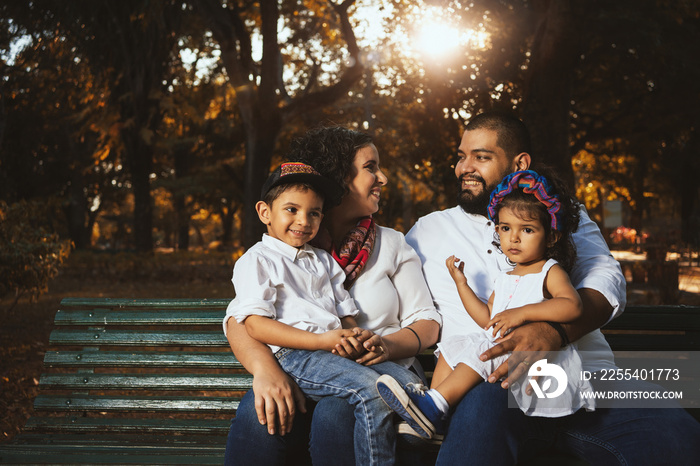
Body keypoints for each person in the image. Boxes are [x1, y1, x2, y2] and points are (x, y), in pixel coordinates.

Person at [405, 111, 700, 464]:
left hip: (582, 377)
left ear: (519, 164)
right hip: (489, 387)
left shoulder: (561, 214)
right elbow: (381, 288)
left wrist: (553, 332)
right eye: (460, 156)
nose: (463, 168)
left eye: (481, 157)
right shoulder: (429, 232)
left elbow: (606, 280)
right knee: (482, 408)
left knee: (677, 435)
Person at [223, 127, 441, 465]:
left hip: (369, 366)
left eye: (313, 212)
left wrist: (382, 343)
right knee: (260, 410)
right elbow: (244, 319)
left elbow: (426, 321)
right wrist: (266, 369)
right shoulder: (280, 252)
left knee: (336, 413)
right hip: (309, 363)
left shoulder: (389, 244)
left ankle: (419, 416)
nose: (382, 177)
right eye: (371, 167)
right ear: (340, 178)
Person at [378, 170, 595, 438]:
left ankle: (433, 406)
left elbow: (572, 306)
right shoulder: (505, 278)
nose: (513, 238)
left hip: (527, 355)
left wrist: (523, 313)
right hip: (502, 344)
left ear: (551, 237)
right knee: (452, 346)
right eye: (505, 228)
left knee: (477, 353)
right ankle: (436, 409)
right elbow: (487, 319)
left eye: (527, 230)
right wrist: (461, 284)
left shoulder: (549, 271)